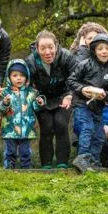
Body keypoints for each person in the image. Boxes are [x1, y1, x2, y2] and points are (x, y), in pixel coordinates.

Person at [68, 33, 108, 173]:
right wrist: (83, 89)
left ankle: (93, 161)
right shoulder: (85, 65)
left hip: (98, 108)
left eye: (107, 49)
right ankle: (82, 157)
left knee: (99, 135)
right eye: (100, 48)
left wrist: (104, 95)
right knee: (87, 127)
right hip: (82, 104)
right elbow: (71, 81)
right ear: (94, 50)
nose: (104, 52)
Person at [26, 31, 75, 169]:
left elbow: (77, 78)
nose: (47, 52)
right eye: (43, 48)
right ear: (37, 48)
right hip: (42, 98)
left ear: (56, 46)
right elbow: (27, 84)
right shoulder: (30, 62)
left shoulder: (67, 57)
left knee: (60, 123)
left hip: (64, 96)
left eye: (50, 47)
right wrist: (36, 97)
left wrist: (70, 95)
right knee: (46, 126)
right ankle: (46, 164)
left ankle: (62, 163)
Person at [0, 59, 43, 169]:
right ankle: (9, 168)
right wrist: (5, 103)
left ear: (27, 77)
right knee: (10, 151)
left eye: (22, 75)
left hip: (27, 128)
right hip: (10, 128)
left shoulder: (32, 92)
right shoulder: (5, 92)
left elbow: (36, 108)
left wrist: (39, 103)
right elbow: (1, 108)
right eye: (15, 75)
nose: (19, 78)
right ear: (9, 77)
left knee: (26, 152)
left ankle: (26, 169)